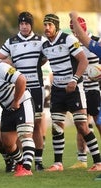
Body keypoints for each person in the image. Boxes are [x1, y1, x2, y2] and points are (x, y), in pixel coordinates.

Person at [41, 13, 101, 172]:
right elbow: (41, 60)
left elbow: (84, 60)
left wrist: (74, 79)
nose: (47, 28)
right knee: (56, 126)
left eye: (50, 25)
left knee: (82, 125)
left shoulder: (68, 39)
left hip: (74, 89)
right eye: (45, 25)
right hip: (57, 90)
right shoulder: (45, 45)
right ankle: (58, 163)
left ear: (56, 26)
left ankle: (98, 162)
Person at [0, 11, 47, 171]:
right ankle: (21, 161)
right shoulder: (11, 42)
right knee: (18, 127)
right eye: (22, 24)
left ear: (31, 25)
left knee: (36, 125)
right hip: (17, 89)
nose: (24, 26)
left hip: (36, 87)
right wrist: (8, 62)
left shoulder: (40, 40)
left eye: (27, 24)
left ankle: (38, 160)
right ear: (19, 25)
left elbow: (45, 57)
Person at [70, 11, 101, 181]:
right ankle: (82, 159)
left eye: (76, 30)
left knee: (97, 122)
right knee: (81, 123)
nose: (75, 34)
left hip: (94, 89)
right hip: (80, 89)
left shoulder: (95, 42)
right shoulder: (72, 44)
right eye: (72, 31)